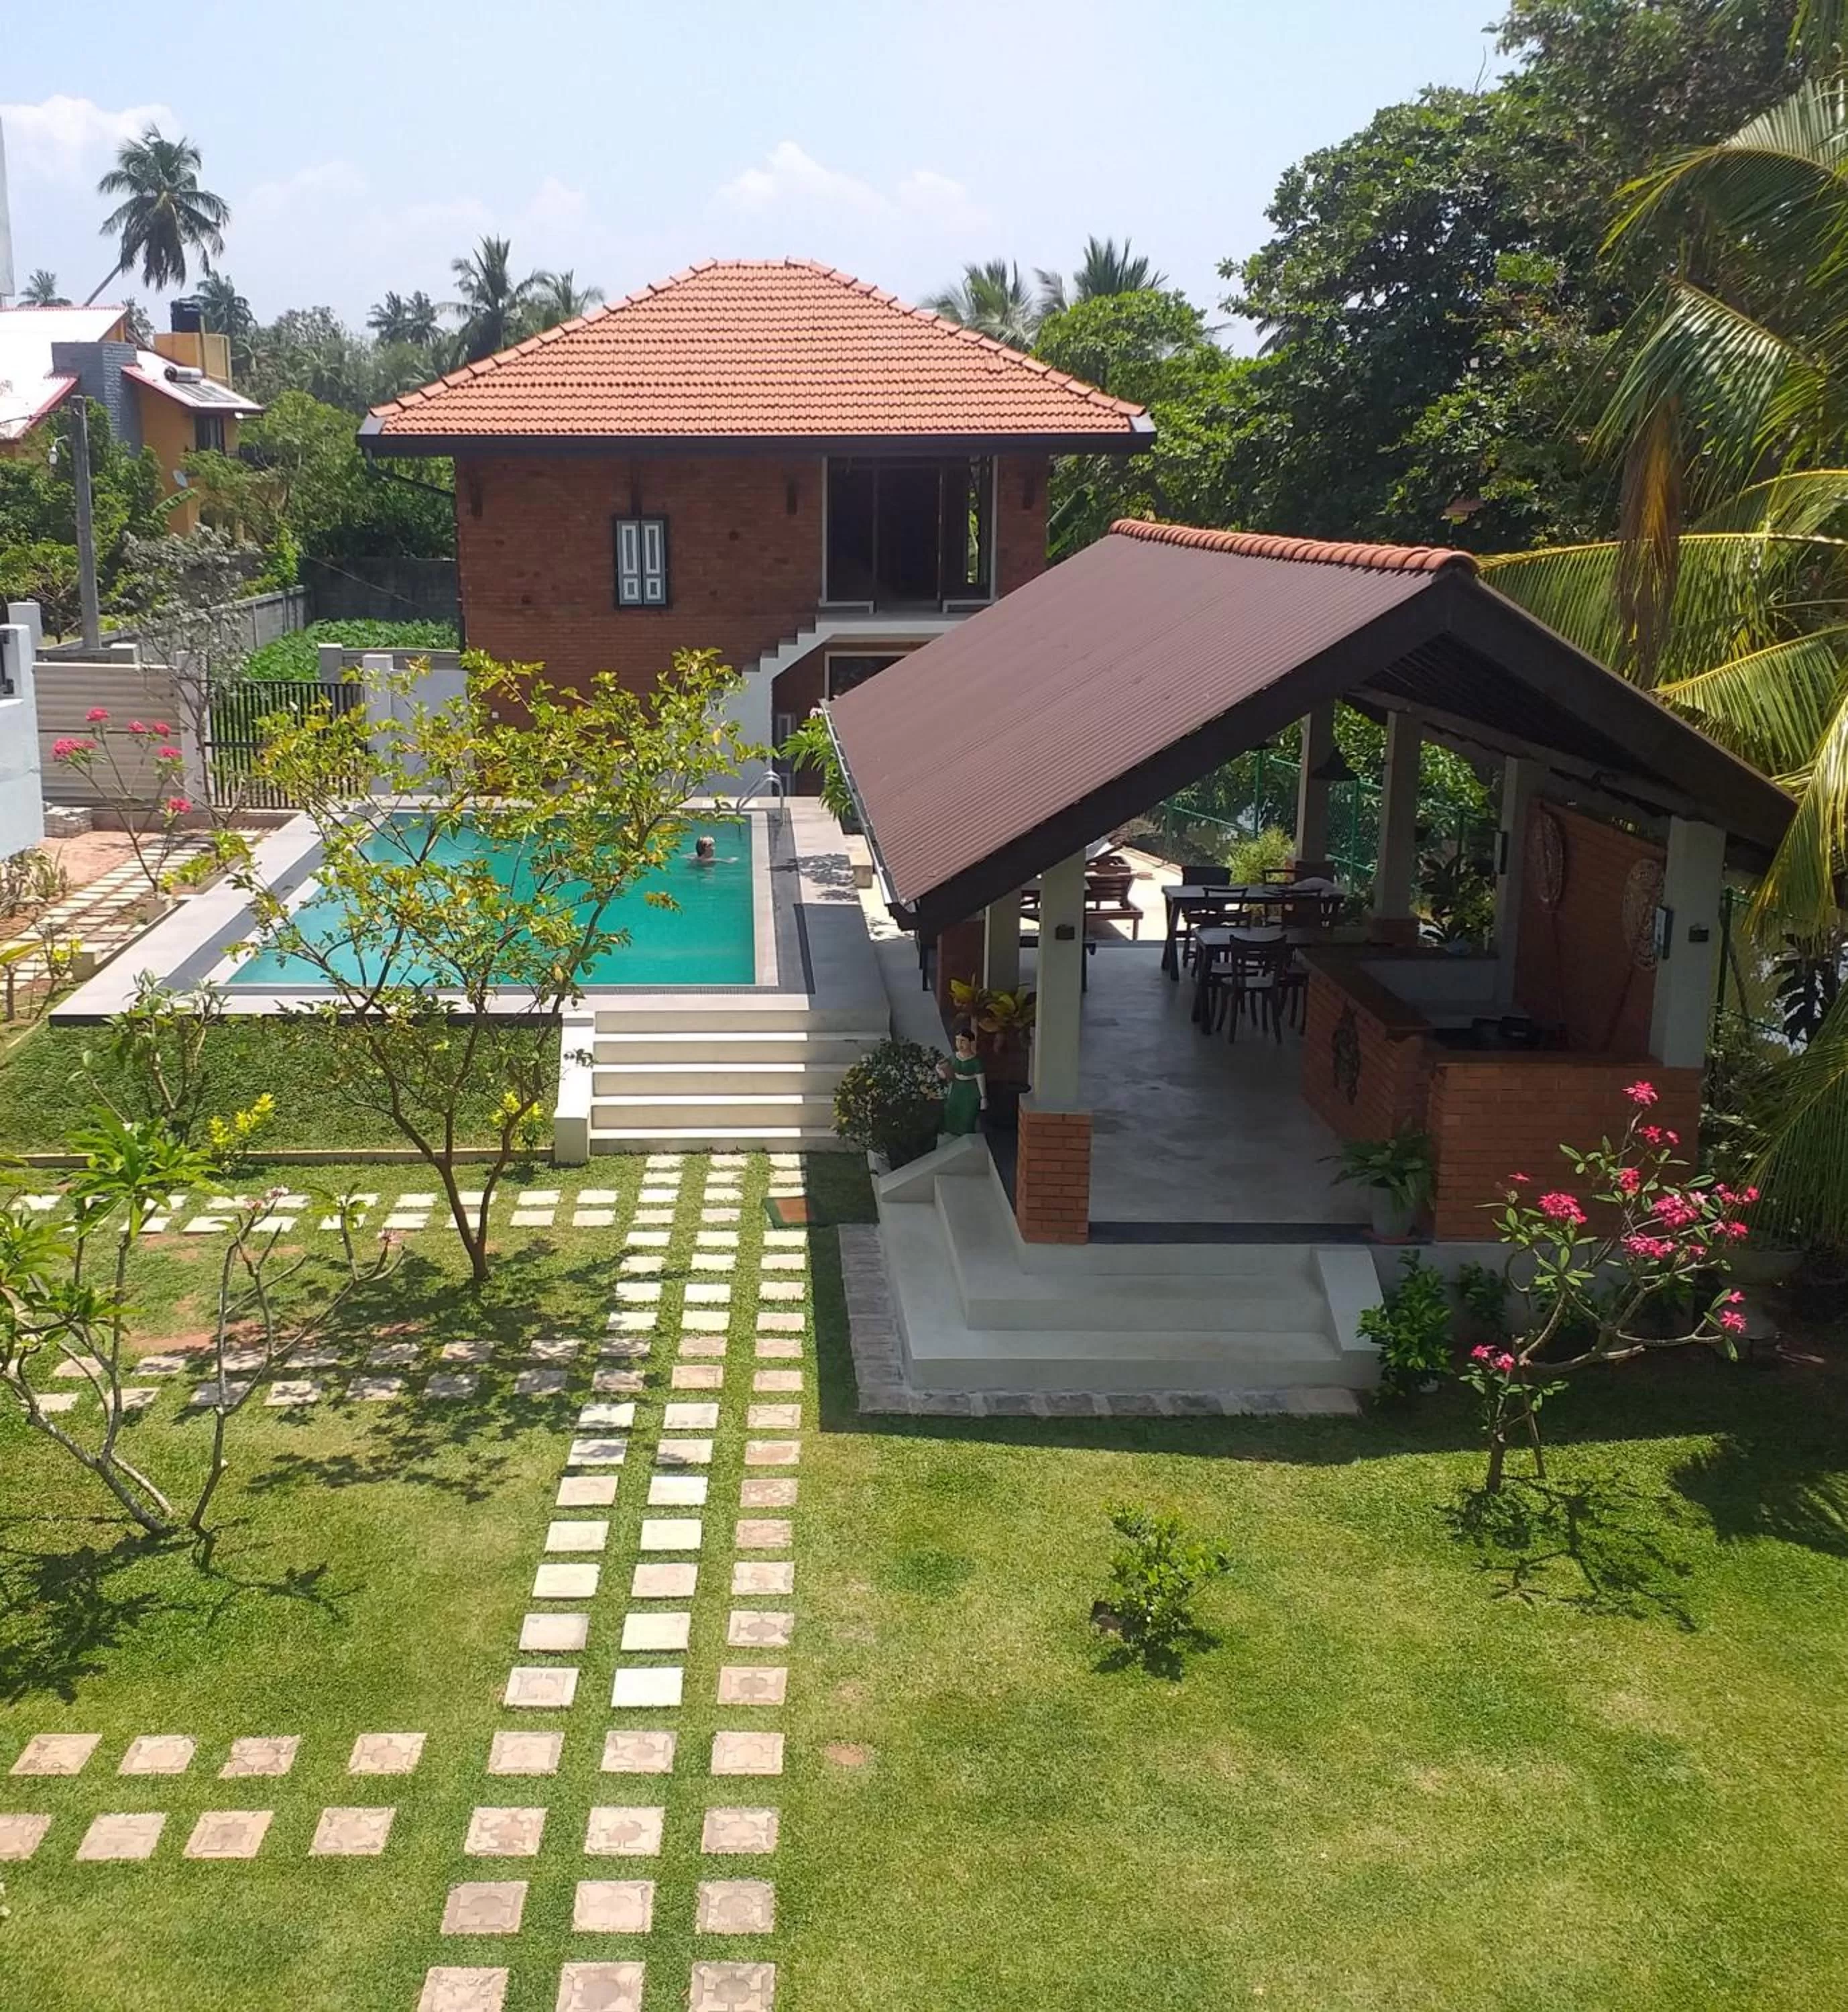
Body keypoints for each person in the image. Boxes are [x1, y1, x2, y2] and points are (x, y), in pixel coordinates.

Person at [938, 1021, 987, 1136]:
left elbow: (980, 1078)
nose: (960, 1044)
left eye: (963, 1041)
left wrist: (983, 1097)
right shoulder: (954, 1057)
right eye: (957, 1040)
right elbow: (943, 1066)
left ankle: (966, 1135)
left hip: (970, 1089)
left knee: (968, 1114)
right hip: (956, 1087)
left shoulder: (975, 1061)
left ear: (970, 1042)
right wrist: (941, 1071)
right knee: (951, 1109)